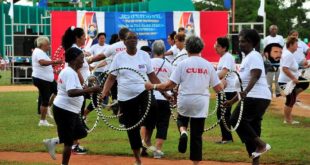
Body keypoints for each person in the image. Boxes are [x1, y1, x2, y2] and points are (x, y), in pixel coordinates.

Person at [145, 36, 224, 165]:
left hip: (185, 99)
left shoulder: (182, 64)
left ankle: (183, 131)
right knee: (197, 135)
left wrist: (152, 86)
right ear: (201, 48)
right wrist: (225, 85)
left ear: (187, 48)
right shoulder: (208, 65)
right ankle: (195, 163)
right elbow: (218, 88)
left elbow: (168, 85)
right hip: (201, 101)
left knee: (181, 118)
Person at [101, 31, 161, 165]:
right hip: (125, 97)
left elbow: (152, 76)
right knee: (131, 128)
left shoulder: (144, 55)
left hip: (143, 91)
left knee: (153, 107)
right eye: (130, 38)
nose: (133, 40)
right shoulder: (119, 57)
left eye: (135, 38)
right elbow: (111, 78)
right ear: (124, 42)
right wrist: (104, 93)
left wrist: (164, 90)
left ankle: (147, 139)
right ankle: (137, 158)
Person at [43, 47, 101, 165]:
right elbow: (71, 92)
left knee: (81, 133)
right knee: (69, 143)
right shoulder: (69, 72)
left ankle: (53, 141)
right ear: (74, 59)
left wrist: (92, 90)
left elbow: (78, 90)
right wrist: (91, 89)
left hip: (71, 111)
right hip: (65, 110)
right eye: (81, 58)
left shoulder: (72, 72)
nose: (83, 61)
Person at [224, 29, 271, 165]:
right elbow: (243, 87)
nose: (240, 44)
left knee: (235, 119)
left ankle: (261, 144)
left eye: (242, 41)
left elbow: (255, 75)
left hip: (256, 96)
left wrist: (246, 92)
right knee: (253, 129)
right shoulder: (247, 58)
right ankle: (256, 160)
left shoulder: (254, 55)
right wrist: (231, 102)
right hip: (255, 97)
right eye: (240, 41)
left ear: (250, 42)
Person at [61, 26, 91, 154]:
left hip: (80, 87)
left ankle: (74, 143)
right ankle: (73, 144)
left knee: (77, 116)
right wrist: (84, 84)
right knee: (75, 117)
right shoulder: (74, 49)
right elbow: (76, 69)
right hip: (78, 87)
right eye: (84, 36)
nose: (85, 38)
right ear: (77, 38)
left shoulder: (76, 49)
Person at [145, 40, 173, 159]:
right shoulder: (169, 65)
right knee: (162, 124)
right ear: (163, 51)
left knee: (149, 123)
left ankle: (145, 145)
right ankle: (158, 149)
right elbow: (172, 84)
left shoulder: (148, 63)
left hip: (149, 98)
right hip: (164, 98)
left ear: (153, 51)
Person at [31, 36, 62, 127]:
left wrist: (55, 71)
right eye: (47, 45)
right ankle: (42, 120)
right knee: (45, 99)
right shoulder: (38, 52)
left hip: (46, 79)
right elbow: (42, 63)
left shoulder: (41, 52)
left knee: (57, 91)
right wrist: (55, 61)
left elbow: (45, 67)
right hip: (42, 79)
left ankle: (47, 107)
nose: (49, 46)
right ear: (41, 45)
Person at [278, 37, 309, 124]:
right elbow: (285, 68)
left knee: (305, 82)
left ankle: (293, 95)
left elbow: (293, 67)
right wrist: (293, 78)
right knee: (290, 100)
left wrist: (304, 67)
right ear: (291, 45)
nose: (297, 47)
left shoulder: (289, 54)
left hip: (290, 81)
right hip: (286, 82)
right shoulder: (288, 55)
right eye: (296, 45)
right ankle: (287, 120)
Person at [214, 37, 237, 144]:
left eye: (217, 45)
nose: (215, 47)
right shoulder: (223, 57)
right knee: (222, 113)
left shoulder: (227, 57)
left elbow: (223, 73)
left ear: (224, 48)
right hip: (224, 90)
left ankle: (227, 138)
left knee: (223, 113)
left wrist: (210, 78)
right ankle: (226, 138)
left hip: (229, 90)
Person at [263, 25, 285, 97]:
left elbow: (282, 48)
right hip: (270, 61)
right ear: (270, 30)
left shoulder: (280, 38)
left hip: (278, 61)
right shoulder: (266, 39)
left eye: (275, 29)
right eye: (272, 29)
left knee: (278, 77)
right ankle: (268, 92)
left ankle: (278, 92)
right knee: (269, 77)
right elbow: (265, 50)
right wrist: (267, 59)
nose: (274, 30)